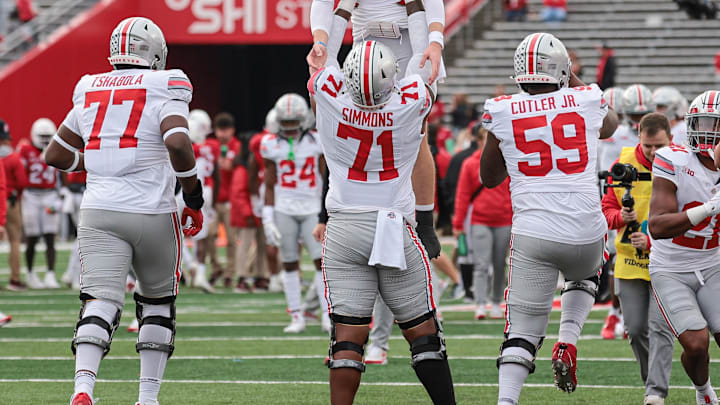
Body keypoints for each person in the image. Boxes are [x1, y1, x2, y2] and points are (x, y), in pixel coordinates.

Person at [44, 17, 204, 405]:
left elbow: (56, 154)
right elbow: (179, 145)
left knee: (98, 301)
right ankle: (147, 398)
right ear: (155, 53)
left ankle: (83, 389)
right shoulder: (168, 82)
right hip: (151, 211)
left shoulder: (88, 86)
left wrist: (99, 160)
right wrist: (194, 197)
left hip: (99, 209)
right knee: (157, 305)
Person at [310, 6, 454, 401]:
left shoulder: (328, 94)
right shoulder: (409, 101)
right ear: (394, 77)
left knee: (347, 338)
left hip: (342, 225)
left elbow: (324, 57)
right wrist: (416, 11)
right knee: (424, 333)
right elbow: (423, 61)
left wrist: (340, 12)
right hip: (393, 224)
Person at [480, 32, 618, 402]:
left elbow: (489, 178)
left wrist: (500, 137)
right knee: (586, 271)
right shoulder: (587, 97)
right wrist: (571, 77)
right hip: (587, 230)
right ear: (562, 69)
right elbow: (612, 125)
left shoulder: (502, 109)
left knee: (522, 332)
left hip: (534, 232)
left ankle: (506, 401)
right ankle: (568, 339)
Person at [649, 90, 720, 405]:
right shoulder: (673, 158)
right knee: (696, 344)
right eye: (703, 122)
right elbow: (658, 226)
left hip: (714, 262)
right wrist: (708, 209)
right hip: (672, 268)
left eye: (715, 124)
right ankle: (703, 391)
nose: (707, 130)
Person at [600, 113, 675, 405]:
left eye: (660, 146)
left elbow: (689, 218)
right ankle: (651, 382)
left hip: (667, 262)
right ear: (639, 140)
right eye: (648, 147)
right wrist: (622, 217)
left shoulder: (681, 165)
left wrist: (653, 241)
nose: (655, 153)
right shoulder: (621, 163)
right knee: (634, 329)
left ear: (670, 139)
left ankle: (655, 392)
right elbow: (606, 210)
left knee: (661, 328)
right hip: (629, 261)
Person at [261, 93, 329, 333]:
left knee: (322, 262)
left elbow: (324, 178)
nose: (289, 128)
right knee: (289, 263)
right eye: (285, 123)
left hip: (311, 207)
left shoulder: (315, 141)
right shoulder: (270, 144)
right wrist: (267, 217)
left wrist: (325, 210)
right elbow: (269, 184)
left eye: (293, 123)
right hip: (284, 207)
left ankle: (326, 315)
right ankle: (297, 316)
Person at [453, 128, 512, 320]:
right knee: (481, 263)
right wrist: (458, 223)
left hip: (503, 218)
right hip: (480, 219)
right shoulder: (470, 164)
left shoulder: (507, 162)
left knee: (499, 263)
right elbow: (462, 194)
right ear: (478, 141)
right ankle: (479, 303)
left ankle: (495, 301)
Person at [18, 117, 61, 289]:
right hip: (31, 195)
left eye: (47, 136)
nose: (44, 139)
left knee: (50, 236)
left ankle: (50, 274)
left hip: (50, 195)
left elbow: (63, 170)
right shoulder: (25, 149)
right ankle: (30, 274)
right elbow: (21, 173)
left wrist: (62, 192)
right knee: (32, 237)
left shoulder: (56, 148)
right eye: (41, 135)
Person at [207, 112, 239, 287]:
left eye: (226, 130)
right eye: (220, 130)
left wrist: (232, 166)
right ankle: (216, 267)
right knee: (209, 235)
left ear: (232, 130)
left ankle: (229, 273)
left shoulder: (238, 147)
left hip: (230, 201)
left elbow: (243, 173)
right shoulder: (211, 146)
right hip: (213, 200)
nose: (222, 134)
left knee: (232, 240)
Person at [0, 119, 27, 291]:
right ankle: (15, 278)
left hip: (6, 198)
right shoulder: (13, 157)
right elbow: (22, 181)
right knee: (15, 241)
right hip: (10, 201)